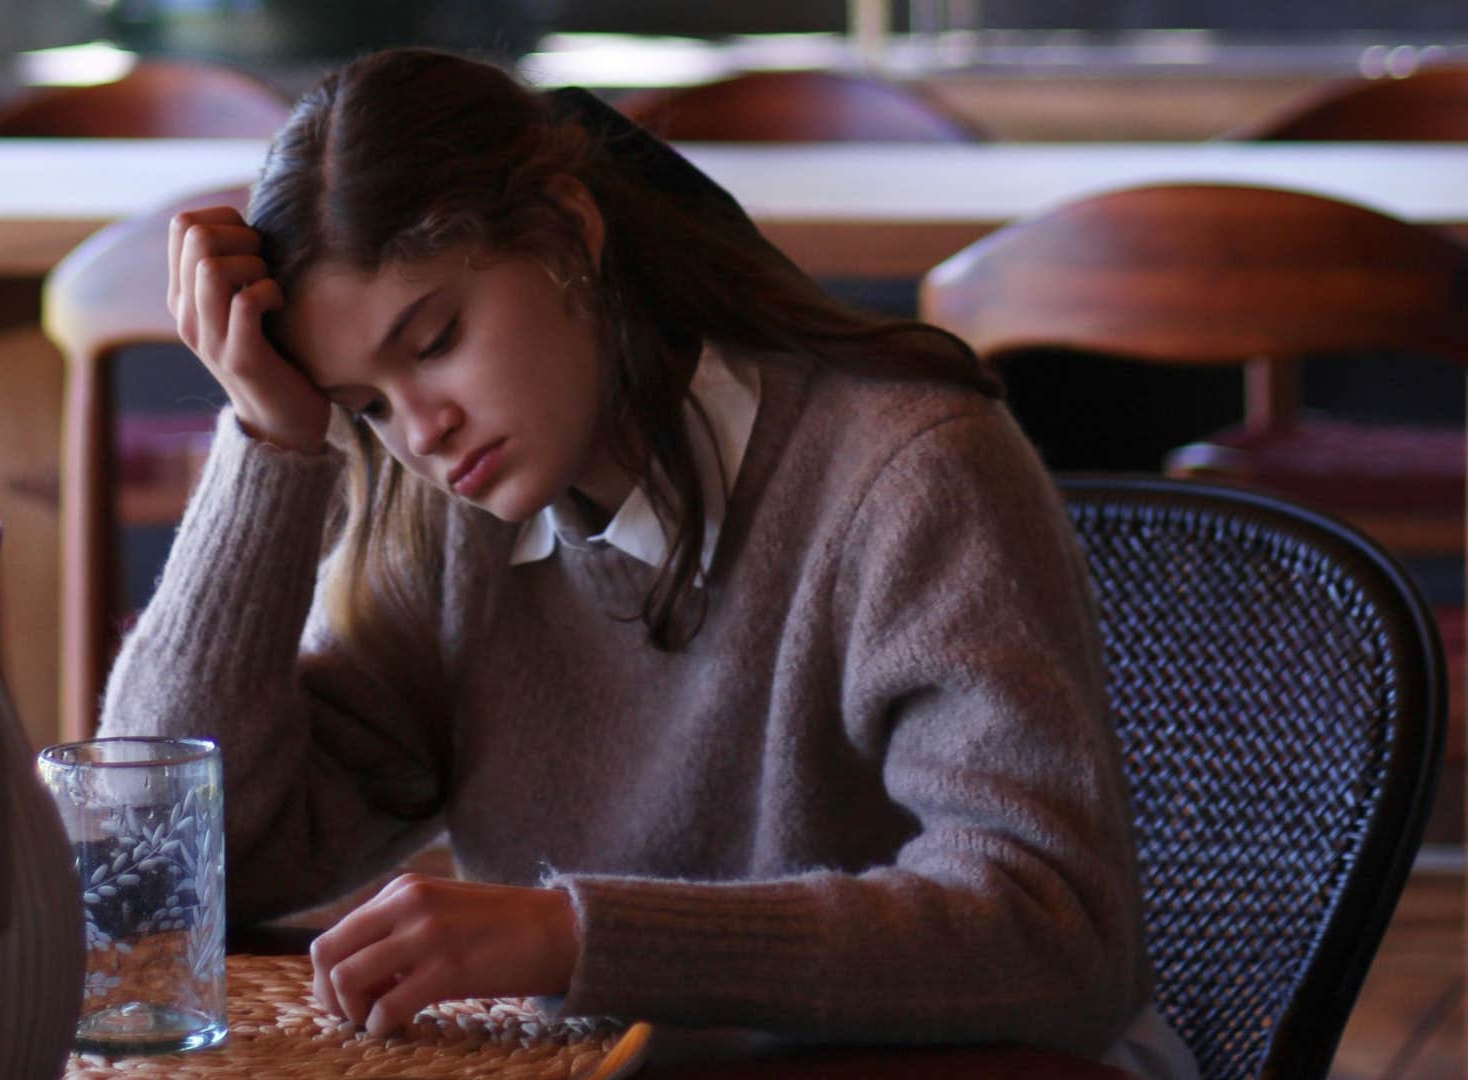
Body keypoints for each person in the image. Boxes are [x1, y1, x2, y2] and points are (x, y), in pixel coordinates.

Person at [99, 46, 1196, 1079]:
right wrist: (270, 442)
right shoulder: (449, 528)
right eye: (365, 406)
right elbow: (170, 866)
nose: (419, 432)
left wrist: (577, 936)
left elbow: (1057, 938)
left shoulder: (908, 469)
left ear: (570, 232)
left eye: (434, 340)